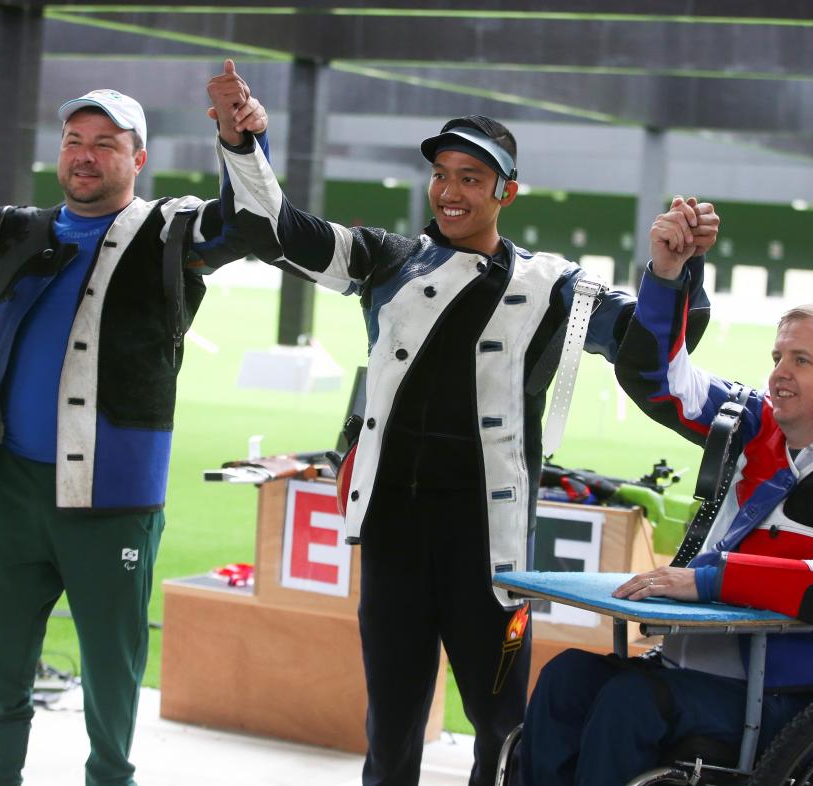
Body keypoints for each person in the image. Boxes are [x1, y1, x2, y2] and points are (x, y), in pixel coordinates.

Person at [207, 60, 716, 786]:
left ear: (507, 192)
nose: (450, 191)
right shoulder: (388, 260)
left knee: (502, 726)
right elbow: (275, 229)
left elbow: (654, 347)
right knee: (390, 727)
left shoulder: (555, 286)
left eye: (472, 178)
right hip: (393, 533)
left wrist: (672, 270)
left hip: (491, 547)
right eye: (442, 174)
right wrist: (241, 143)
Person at [0, 82, 267, 786]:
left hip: (115, 490)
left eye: (105, 144)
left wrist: (241, 143)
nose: (85, 157)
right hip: (17, 484)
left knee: (111, 666)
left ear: (138, 158)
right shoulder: (21, 229)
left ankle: (111, 777)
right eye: (74, 143)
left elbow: (247, 223)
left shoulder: (170, 230)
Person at [517, 199, 813, 785]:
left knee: (630, 702)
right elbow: (656, 380)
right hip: (704, 674)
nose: (778, 373)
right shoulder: (755, 423)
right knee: (565, 677)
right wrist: (669, 275)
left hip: (804, 700)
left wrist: (708, 579)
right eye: (776, 357)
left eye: (800, 360)